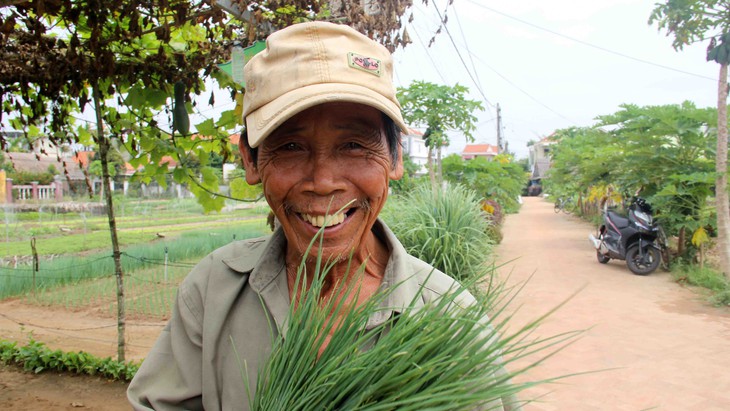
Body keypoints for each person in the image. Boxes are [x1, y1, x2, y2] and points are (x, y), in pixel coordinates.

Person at [127, 21, 519, 410]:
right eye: (291, 146)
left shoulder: (450, 319)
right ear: (250, 160)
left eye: (353, 145)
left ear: (396, 157)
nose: (323, 181)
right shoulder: (214, 290)